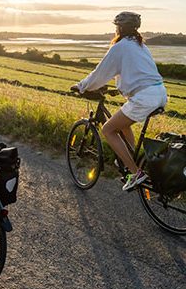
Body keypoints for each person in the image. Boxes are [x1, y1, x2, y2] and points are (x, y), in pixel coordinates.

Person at [71, 12, 167, 191]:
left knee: (107, 129)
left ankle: (135, 173)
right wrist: (120, 89)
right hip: (159, 93)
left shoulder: (120, 47)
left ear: (120, 28)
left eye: (116, 26)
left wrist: (82, 86)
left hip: (144, 98)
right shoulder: (140, 45)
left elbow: (100, 73)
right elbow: (139, 73)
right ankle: (132, 158)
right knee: (123, 124)